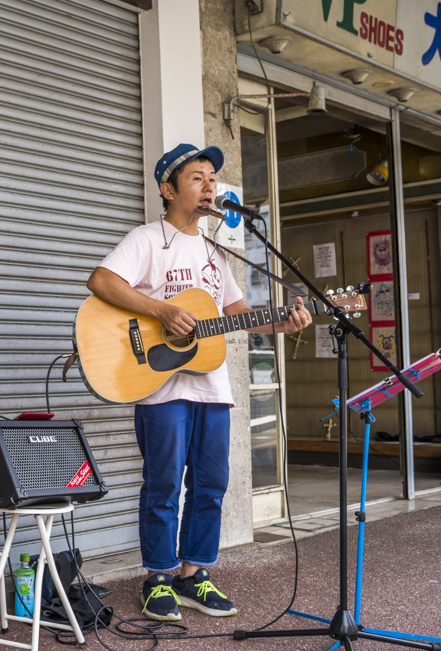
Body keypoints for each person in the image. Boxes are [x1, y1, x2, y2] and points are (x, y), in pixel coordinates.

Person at [86, 143, 311, 622]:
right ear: (168, 189)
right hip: (159, 386)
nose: (210, 186)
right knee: (163, 483)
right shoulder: (146, 239)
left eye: (212, 178)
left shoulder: (215, 251)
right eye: (196, 178)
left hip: (212, 387)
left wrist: (282, 323)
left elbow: (235, 315)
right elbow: (102, 281)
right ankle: (158, 578)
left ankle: (194, 574)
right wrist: (163, 310)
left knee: (212, 483)